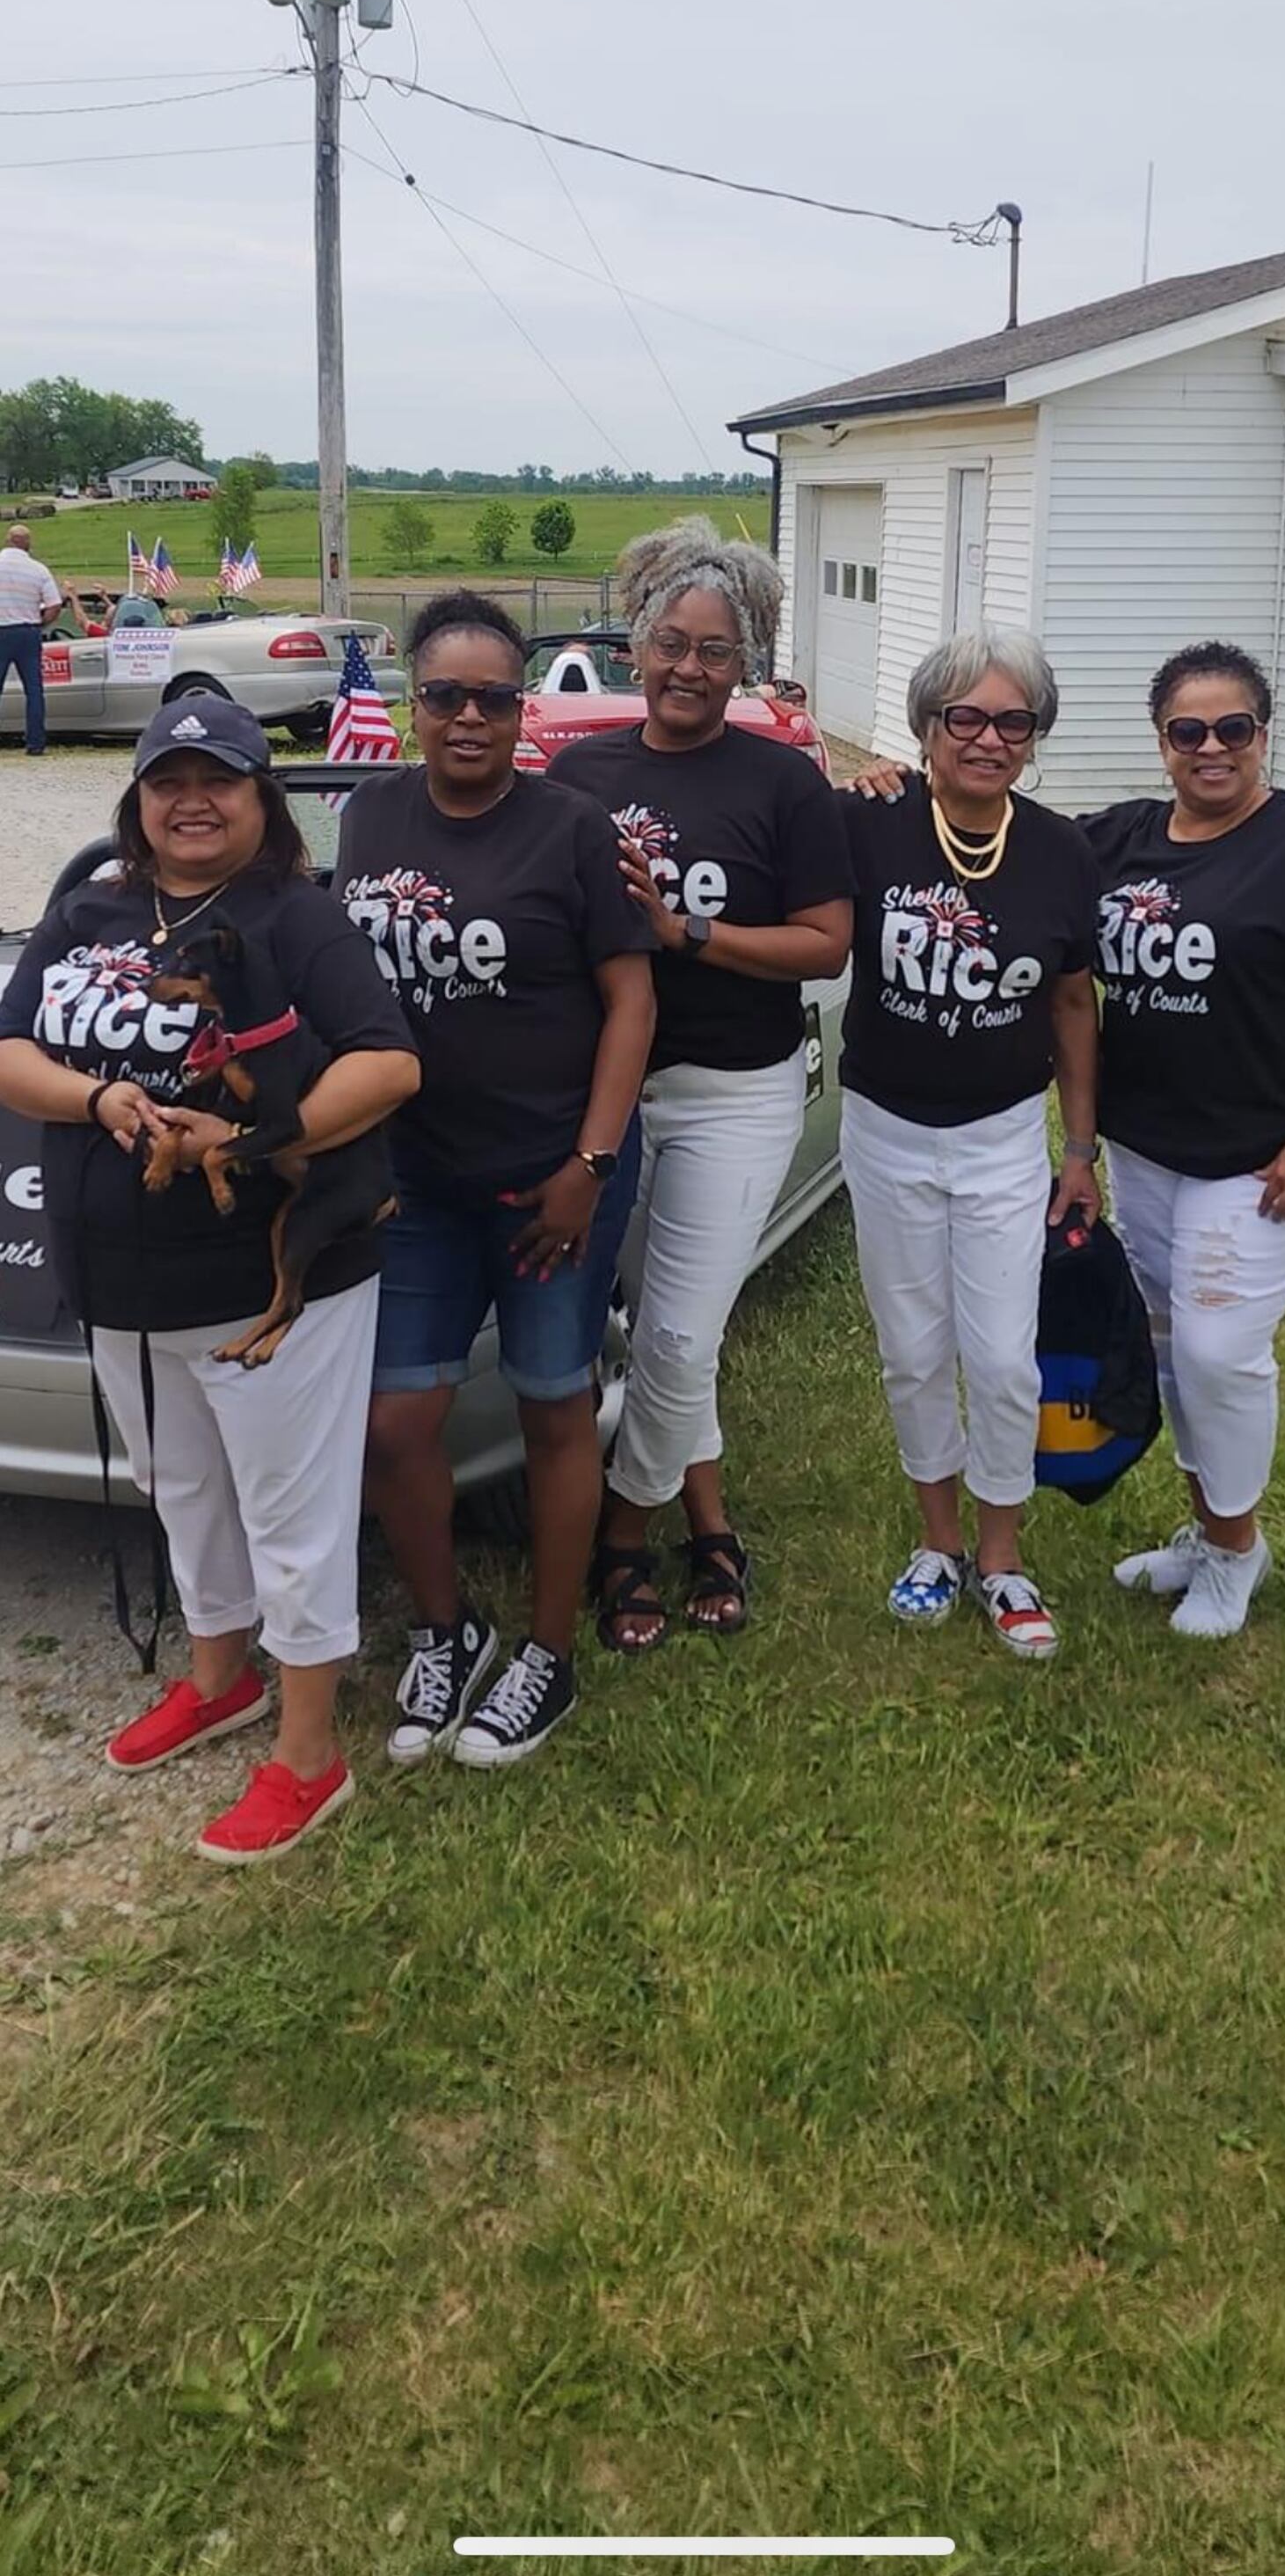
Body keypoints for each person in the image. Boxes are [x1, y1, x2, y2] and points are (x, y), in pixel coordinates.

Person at [0, 698, 419, 1860]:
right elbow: (13, 1049)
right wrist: (99, 1097)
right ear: (136, 798)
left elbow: (388, 1065)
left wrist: (231, 1148)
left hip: (271, 1284)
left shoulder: (297, 918)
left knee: (291, 1515)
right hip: (122, 1280)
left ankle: (308, 1750)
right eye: (167, 776)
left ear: (260, 798)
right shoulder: (91, 903)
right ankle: (220, 1677)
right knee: (182, 1488)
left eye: (220, 777)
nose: (193, 798)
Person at [333, 591, 655, 1767]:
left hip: (548, 1180)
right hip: (414, 1177)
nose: (469, 716)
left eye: (493, 696)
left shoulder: (571, 828)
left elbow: (633, 998)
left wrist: (589, 1164)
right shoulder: (368, 817)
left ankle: (547, 1654)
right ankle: (445, 1629)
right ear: (413, 704)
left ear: (525, 708)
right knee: (395, 1419)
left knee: (551, 1407)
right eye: (444, 695)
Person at [548, 521, 853, 1650]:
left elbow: (825, 944)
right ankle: (710, 1519)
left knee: (674, 1338)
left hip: (736, 1090)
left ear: (748, 661)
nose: (687, 666)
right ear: (635, 646)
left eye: (714, 650)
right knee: (677, 1333)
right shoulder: (581, 772)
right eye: (669, 641)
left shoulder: (780, 781)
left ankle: (623, 1531)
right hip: (609, 1099)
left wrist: (688, 932)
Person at [1083, 640, 1285, 1638]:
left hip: (1269, 1153)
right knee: (1172, 1347)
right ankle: (1206, 1529)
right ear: (1162, 741)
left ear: (1264, 736)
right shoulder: (1122, 837)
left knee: (1221, 1349)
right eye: (1189, 731)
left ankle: (1235, 1552)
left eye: (1234, 729)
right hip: (1147, 1144)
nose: (1211, 747)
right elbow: (999, 839)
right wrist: (890, 787)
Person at [843, 628, 1099, 1658]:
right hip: (884, 1127)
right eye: (966, 717)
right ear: (926, 725)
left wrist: (1078, 1150)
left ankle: (1001, 1557)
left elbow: (1075, 1002)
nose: (989, 738)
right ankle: (937, 1543)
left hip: (1000, 1136)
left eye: (1012, 721)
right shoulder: (868, 823)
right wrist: (856, 777)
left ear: (1033, 738)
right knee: (912, 1349)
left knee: (999, 1359)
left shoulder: (1060, 849)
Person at [0, 523, 62, 755]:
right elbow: (54, 604)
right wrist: (40, 623)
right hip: (28, 631)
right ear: (27, 543)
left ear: (8, 540)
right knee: (34, 690)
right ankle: (35, 743)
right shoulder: (38, 570)